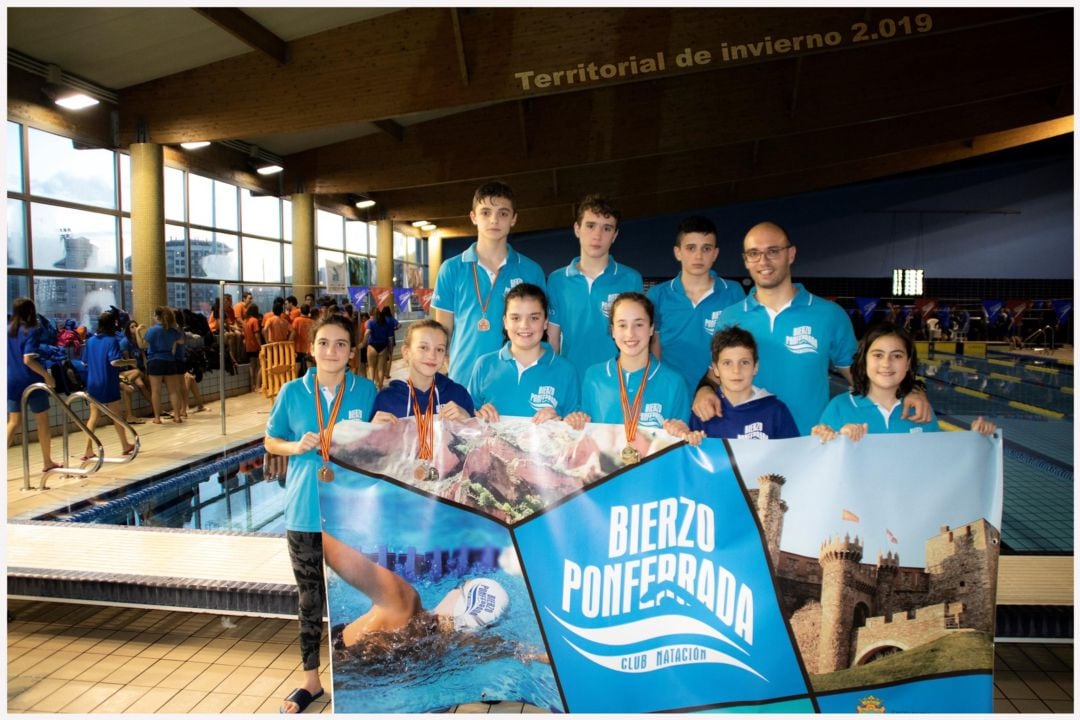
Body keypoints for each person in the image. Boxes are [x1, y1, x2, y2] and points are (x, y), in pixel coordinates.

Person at [691, 221, 932, 435]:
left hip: (814, 443)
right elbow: (715, 374)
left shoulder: (829, 315)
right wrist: (703, 390)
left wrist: (912, 390)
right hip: (752, 445)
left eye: (773, 251)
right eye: (754, 253)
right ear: (745, 260)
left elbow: (863, 376)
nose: (763, 261)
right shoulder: (730, 316)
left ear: (791, 254)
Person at [264, 313, 377, 714]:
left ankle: (358, 674)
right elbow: (270, 438)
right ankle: (311, 682)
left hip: (352, 516)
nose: (332, 351)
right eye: (324, 343)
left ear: (352, 351)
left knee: (359, 595)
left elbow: (381, 441)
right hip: (305, 511)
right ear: (310, 348)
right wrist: (295, 448)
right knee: (310, 599)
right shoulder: (292, 392)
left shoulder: (365, 391)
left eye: (341, 344)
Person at [432, 181, 547, 384]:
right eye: (485, 212)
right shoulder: (451, 269)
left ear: (514, 219)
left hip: (515, 381)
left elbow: (540, 331)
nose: (494, 220)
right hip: (463, 379)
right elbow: (442, 332)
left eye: (503, 213)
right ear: (473, 217)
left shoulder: (531, 270)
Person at [812, 322, 996, 441]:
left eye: (897, 356)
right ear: (864, 360)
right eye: (877, 355)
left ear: (908, 364)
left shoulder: (921, 411)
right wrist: (835, 439)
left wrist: (978, 439)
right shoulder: (839, 407)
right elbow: (822, 463)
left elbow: (935, 462)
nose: (886, 364)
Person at [577, 293, 700, 446]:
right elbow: (584, 431)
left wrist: (682, 433)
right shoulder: (594, 377)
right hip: (606, 468)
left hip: (655, 468)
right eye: (622, 325)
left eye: (639, 324)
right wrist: (575, 421)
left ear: (651, 329)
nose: (630, 333)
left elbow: (680, 440)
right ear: (613, 331)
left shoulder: (673, 383)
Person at [546, 195, 643, 379]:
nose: (597, 235)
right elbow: (552, 340)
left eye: (606, 228)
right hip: (572, 380)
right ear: (577, 229)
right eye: (590, 226)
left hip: (617, 383)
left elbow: (640, 337)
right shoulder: (557, 280)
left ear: (614, 235)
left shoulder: (631, 279)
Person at [646, 215, 745, 394]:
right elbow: (655, 346)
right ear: (678, 252)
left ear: (715, 253)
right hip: (672, 393)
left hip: (719, 394)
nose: (698, 256)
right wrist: (658, 389)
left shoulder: (733, 292)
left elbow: (740, 347)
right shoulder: (657, 295)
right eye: (691, 248)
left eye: (706, 248)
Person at [467, 283, 580, 424]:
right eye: (515, 318)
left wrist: (561, 422)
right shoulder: (484, 365)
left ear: (545, 322)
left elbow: (575, 427)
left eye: (534, 318)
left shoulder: (566, 370)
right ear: (505, 322)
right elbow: (468, 417)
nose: (524, 325)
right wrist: (478, 415)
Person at [689, 325, 798, 440]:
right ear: (715, 369)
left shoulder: (776, 411)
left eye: (744, 362)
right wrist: (692, 440)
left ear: (755, 367)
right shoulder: (704, 409)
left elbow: (793, 454)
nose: (736, 370)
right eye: (727, 363)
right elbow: (693, 455)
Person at [371, 319, 474, 423]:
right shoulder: (386, 399)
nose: (432, 356)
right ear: (406, 352)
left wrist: (468, 422)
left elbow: (475, 437)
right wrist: (373, 431)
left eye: (439, 349)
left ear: (444, 356)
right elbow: (372, 438)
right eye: (423, 347)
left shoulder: (459, 394)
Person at [6, 297, 57, 473]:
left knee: (13, 422)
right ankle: (47, 462)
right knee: (42, 421)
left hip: (11, 379)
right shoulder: (31, 330)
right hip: (31, 380)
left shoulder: (7, 330)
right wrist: (46, 376)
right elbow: (28, 359)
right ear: (30, 312)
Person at [80, 312, 136, 461]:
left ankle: (88, 450)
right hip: (108, 381)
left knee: (94, 417)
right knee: (116, 415)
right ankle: (124, 445)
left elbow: (84, 363)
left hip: (92, 382)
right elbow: (114, 362)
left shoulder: (90, 341)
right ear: (113, 324)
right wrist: (130, 362)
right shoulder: (112, 341)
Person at [140, 306, 186, 425]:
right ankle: (177, 416)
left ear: (157, 317)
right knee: (173, 391)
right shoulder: (172, 330)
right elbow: (181, 340)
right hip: (170, 361)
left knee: (156, 391)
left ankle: (157, 417)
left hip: (155, 361)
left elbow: (142, 345)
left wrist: (137, 332)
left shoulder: (153, 330)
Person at [366, 305, 400, 390]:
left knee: (372, 367)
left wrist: (363, 342)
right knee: (381, 368)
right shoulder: (387, 322)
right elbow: (391, 337)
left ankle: (371, 386)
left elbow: (367, 333)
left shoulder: (371, 322)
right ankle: (380, 386)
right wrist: (390, 347)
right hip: (384, 346)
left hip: (372, 346)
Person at [242, 303, 263, 391]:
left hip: (248, 346)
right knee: (259, 365)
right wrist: (261, 346)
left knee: (252, 366)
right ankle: (258, 385)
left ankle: (252, 385)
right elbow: (257, 335)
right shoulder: (254, 320)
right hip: (255, 346)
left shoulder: (245, 321)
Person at [293, 304, 315, 376]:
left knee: (296, 370)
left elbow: (293, 332)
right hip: (309, 348)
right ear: (309, 311)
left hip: (298, 347)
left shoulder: (296, 320)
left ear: (300, 311)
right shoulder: (312, 322)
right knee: (310, 370)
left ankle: (295, 384)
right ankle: (311, 384)